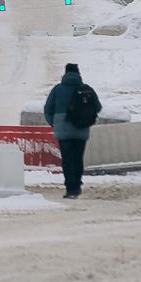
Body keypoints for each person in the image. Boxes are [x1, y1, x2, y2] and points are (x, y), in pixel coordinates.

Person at [42, 62, 101, 199]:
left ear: (65, 73)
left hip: (63, 129)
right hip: (81, 129)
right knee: (78, 158)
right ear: (78, 73)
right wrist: (86, 117)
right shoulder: (87, 90)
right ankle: (77, 186)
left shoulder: (57, 89)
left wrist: (55, 123)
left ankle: (70, 189)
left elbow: (47, 109)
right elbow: (97, 107)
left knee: (67, 159)